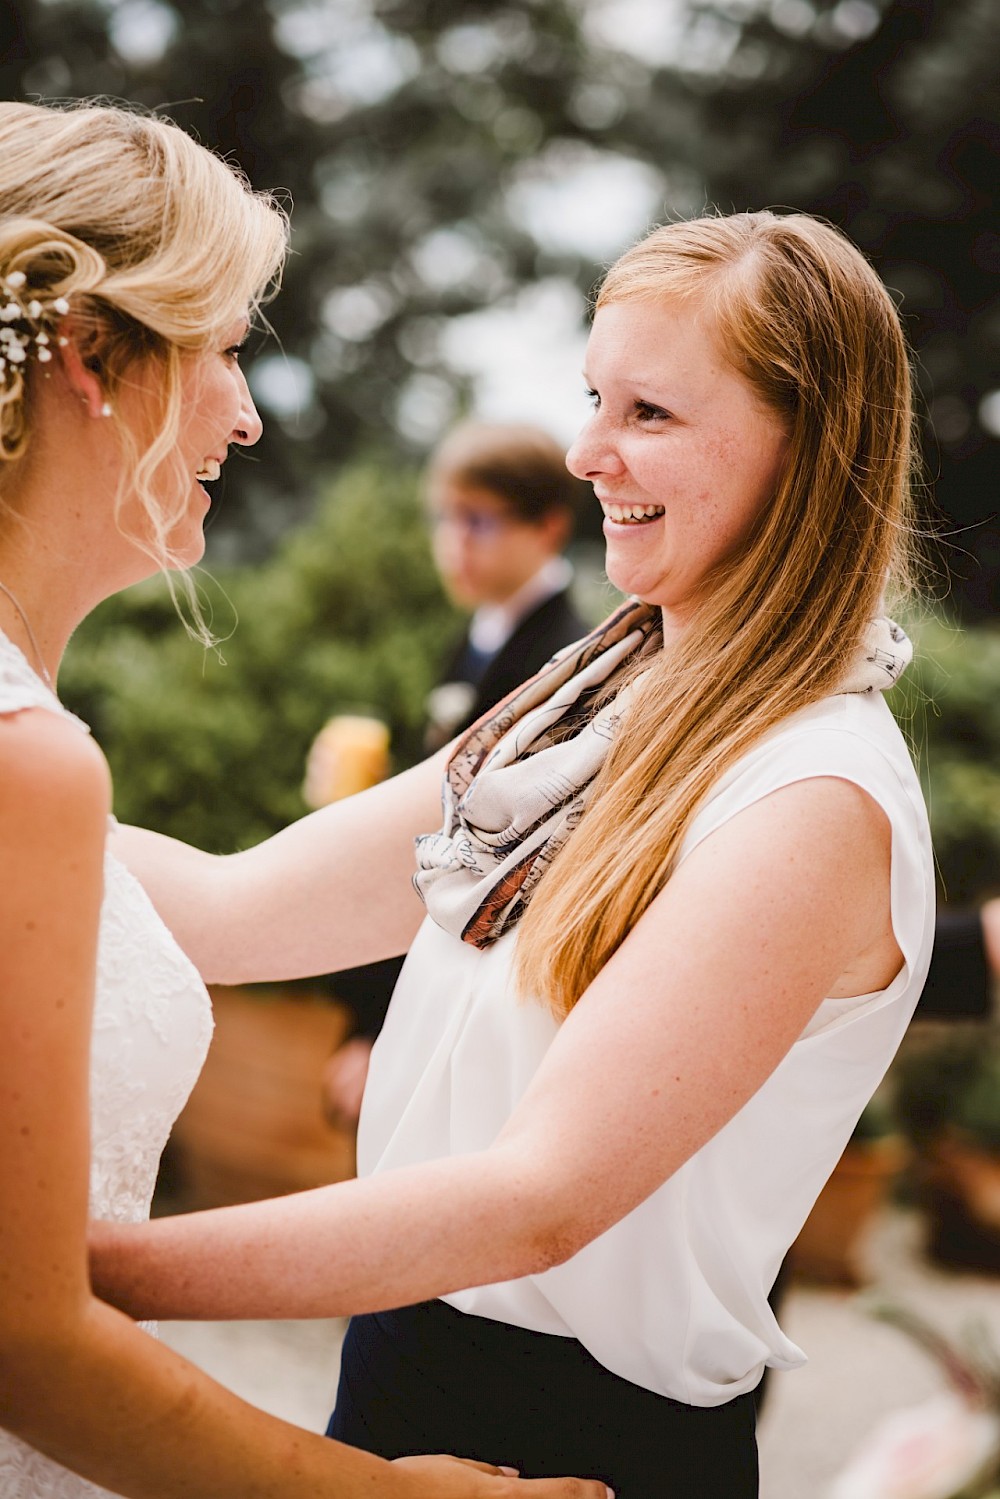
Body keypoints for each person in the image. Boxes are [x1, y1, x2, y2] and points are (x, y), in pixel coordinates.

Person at [90, 209, 936, 1498]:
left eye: (649, 411)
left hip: (574, 1438)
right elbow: (226, 907)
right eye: (594, 396)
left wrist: (77, 1275)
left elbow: (535, 1198)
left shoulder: (810, 791)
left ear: (808, 448)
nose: (588, 452)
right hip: (398, 1358)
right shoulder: (591, 695)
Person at [0, 97, 610, 1499]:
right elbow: (25, 1337)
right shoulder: (27, 763)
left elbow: (223, 899)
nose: (250, 411)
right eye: (221, 351)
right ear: (94, 359)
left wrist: (652, 692)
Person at [319, 421, 588, 1125]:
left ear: (549, 527)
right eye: (445, 518)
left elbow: (475, 864)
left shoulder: (557, 662)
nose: (454, 544)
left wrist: (377, 1028)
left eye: (479, 521)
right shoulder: (478, 634)